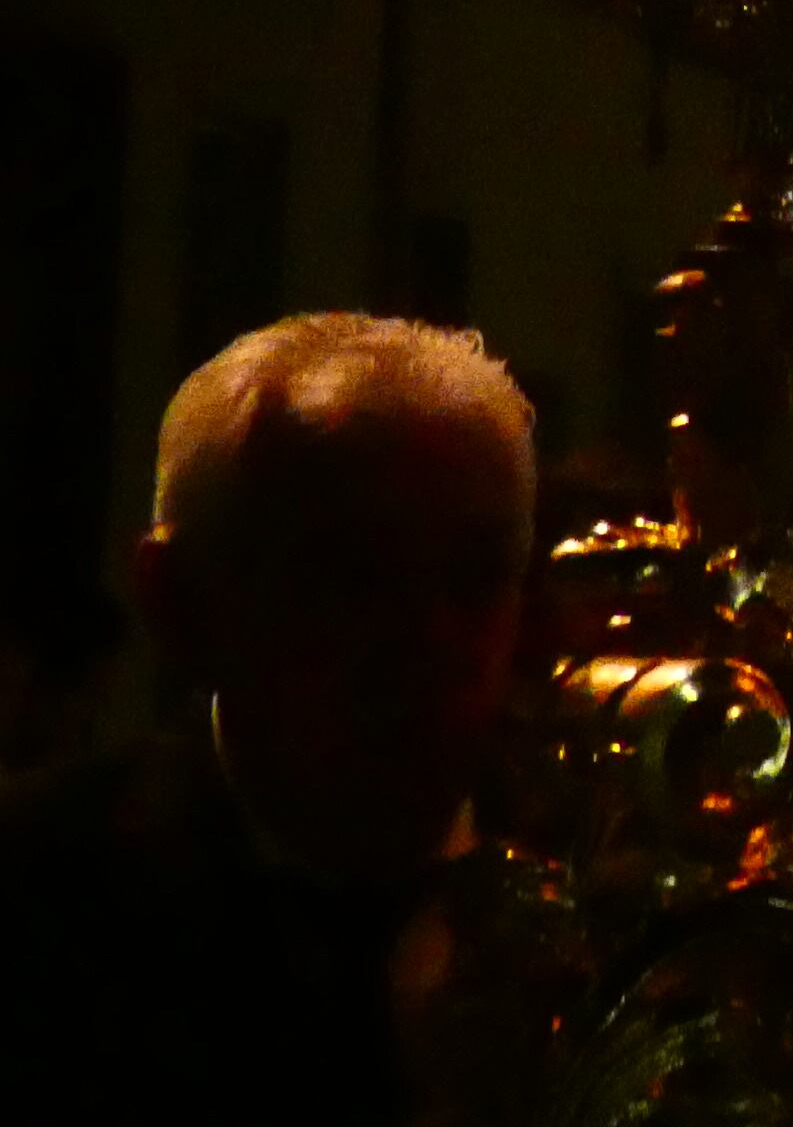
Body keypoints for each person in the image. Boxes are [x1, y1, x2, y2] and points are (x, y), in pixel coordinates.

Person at [0, 313, 538, 1122]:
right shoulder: (33, 900)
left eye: (477, 575)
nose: (433, 636)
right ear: (178, 605)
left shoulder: (618, 909)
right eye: (357, 574)